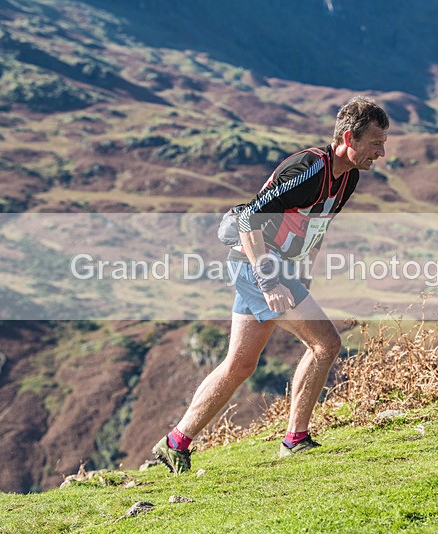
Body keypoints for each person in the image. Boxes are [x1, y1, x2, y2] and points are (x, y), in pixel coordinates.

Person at [152, 96, 389, 474]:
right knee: (326, 343)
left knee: (240, 364)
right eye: (376, 142)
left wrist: (303, 273)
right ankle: (295, 440)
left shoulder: (349, 177)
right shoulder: (311, 169)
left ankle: (175, 442)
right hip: (257, 265)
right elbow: (248, 219)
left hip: (276, 268)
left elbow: (315, 227)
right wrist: (269, 279)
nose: (381, 151)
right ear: (349, 137)